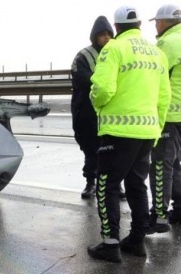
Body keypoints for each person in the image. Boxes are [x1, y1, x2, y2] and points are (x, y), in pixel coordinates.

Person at [87, 5, 171, 262]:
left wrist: (97, 104)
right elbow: (164, 97)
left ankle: (110, 243)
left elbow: (102, 88)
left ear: (116, 27)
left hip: (118, 131)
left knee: (106, 185)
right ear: (139, 25)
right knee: (137, 186)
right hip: (147, 131)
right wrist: (156, 128)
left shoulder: (113, 48)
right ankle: (136, 240)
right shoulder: (157, 54)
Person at [147, 4, 181, 233]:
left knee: (160, 165)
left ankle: (158, 217)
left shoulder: (169, 43)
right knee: (173, 164)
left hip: (170, 114)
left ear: (165, 21)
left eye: (157, 22)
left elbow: (152, 73)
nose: (156, 26)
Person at [71, 16, 114, 199]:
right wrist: (102, 80)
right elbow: (80, 78)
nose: (106, 38)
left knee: (112, 149)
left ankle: (114, 185)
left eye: (108, 34)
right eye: (102, 35)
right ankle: (90, 182)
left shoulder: (116, 52)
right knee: (90, 148)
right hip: (87, 109)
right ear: (95, 36)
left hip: (110, 108)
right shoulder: (84, 55)